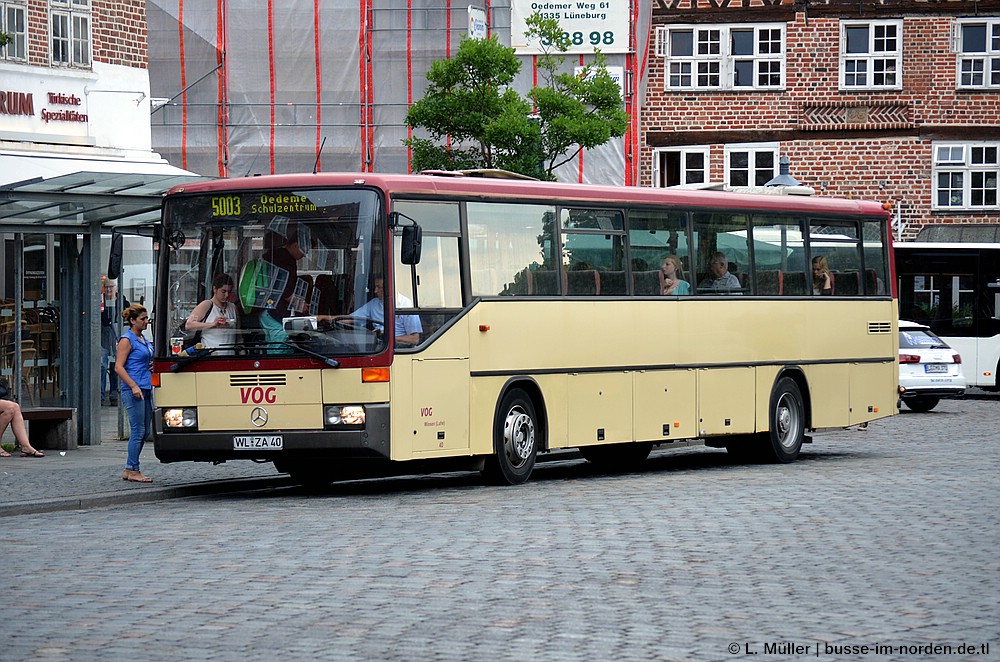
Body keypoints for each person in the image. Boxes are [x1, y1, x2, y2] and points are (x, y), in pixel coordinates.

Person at [115, 304, 154, 483]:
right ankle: (133, 469)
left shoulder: (143, 338)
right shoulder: (127, 340)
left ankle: (130, 467)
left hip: (145, 387)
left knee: (145, 430)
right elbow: (119, 367)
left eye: (147, 319)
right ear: (132, 320)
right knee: (138, 430)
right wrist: (133, 386)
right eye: (142, 319)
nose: (146, 322)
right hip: (134, 389)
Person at [347, 277, 422, 345]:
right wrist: (335, 319)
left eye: (379, 287)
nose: (375, 291)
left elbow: (414, 339)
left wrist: (387, 337)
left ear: (389, 288)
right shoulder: (374, 303)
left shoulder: (406, 305)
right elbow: (351, 318)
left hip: (398, 347)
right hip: (378, 345)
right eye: (375, 287)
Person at [186, 273, 238, 354]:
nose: (226, 295)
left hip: (230, 358)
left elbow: (238, 336)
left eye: (229, 291)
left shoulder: (233, 307)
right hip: (210, 357)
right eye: (223, 291)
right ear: (215, 289)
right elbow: (189, 325)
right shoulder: (206, 305)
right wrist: (212, 324)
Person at [100, 276, 126, 405]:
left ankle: (114, 394)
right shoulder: (100, 301)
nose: (109, 289)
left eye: (111, 287)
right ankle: (100, 395)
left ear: (116, 288)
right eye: (106, 287)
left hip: (118, 334)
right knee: (102, 365)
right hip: (103, 334)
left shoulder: (122, 301)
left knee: (116, 364)